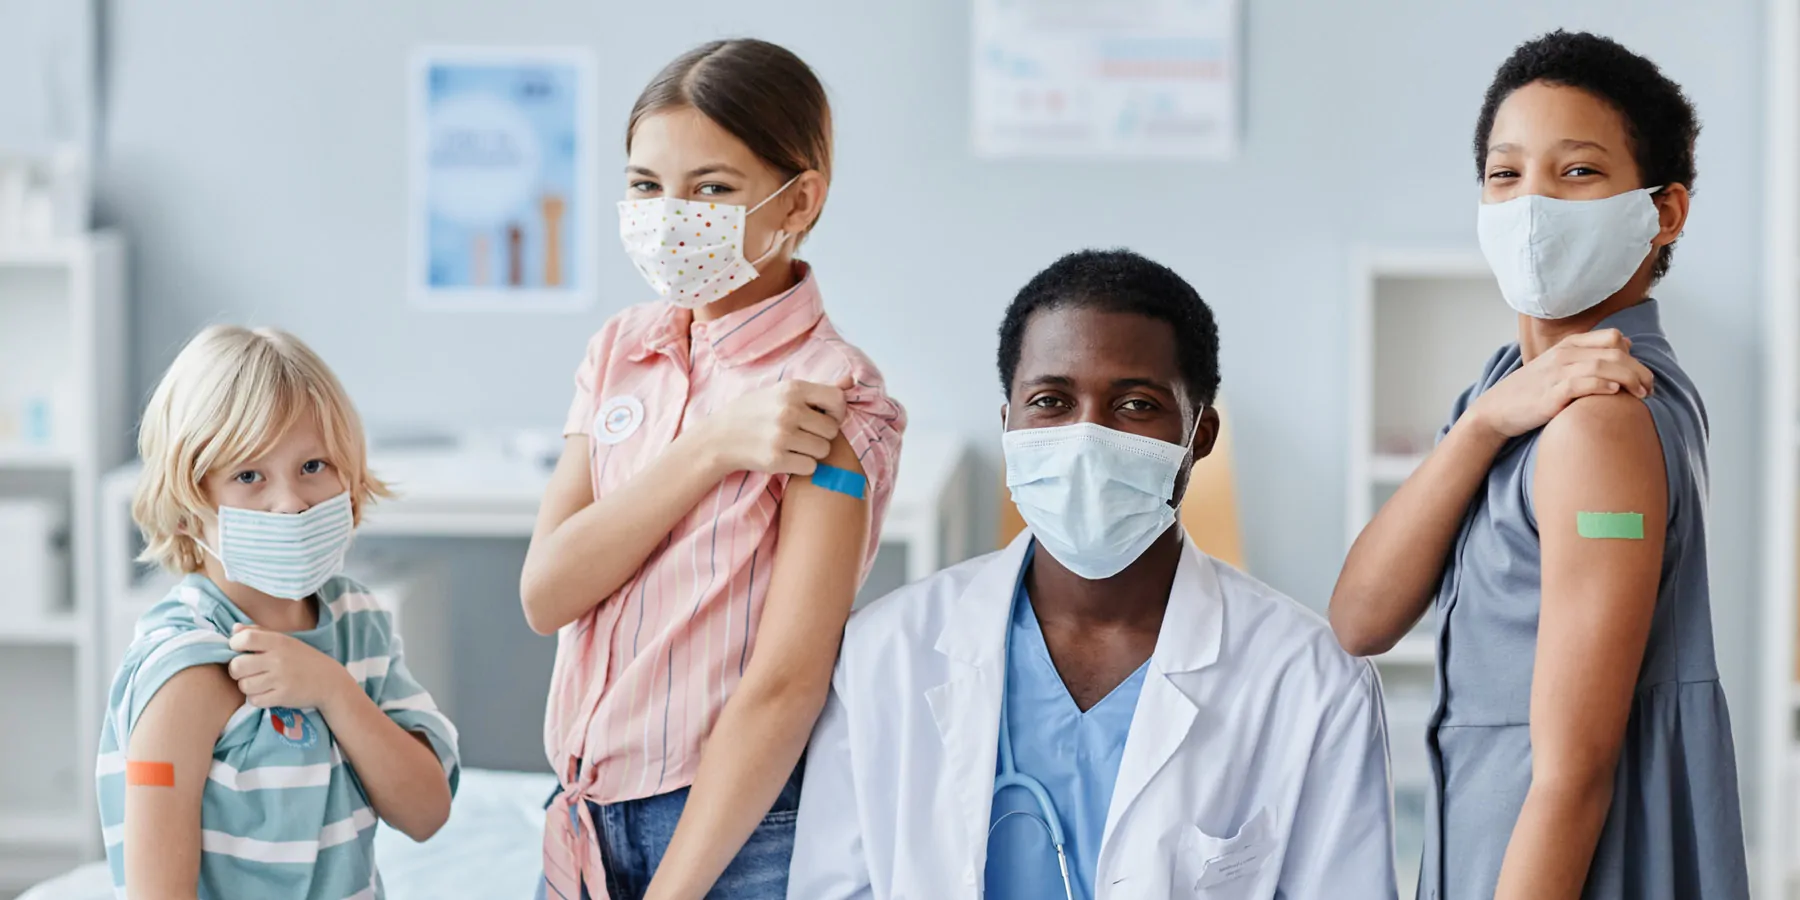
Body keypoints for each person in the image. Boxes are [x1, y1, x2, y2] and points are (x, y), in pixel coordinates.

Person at [789, 249, 1396, 900]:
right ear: (1008, 425)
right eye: (1050, 401)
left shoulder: (1312, 683)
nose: (1086, 441)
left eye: (1135, 405)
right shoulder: (886, 655)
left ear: (1201, 434)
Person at [1329, 31, 1748, 900]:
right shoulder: (1507, 394)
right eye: (1505, 173)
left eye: (1580, 171)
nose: (1532, 204)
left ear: (1663, 212)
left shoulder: (1599, 423)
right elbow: (1360, 619)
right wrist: (1480, 427)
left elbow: (1575, 772)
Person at [522, 38, 906, 900]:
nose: (668, 215)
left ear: (798, 199)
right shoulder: (621, 351)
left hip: (728, 832)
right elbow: (547, 592)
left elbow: (785, 683)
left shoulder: (833, 397)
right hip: (583, 812)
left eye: (712, 189)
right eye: (645, 186)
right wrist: (712, 448)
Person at [98, 325, 460, 899]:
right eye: (248, 475)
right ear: (190, 509)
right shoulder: (185, 668)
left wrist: (334, 692)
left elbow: (427, 811)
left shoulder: (359, 623)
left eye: (313, 466)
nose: (290, 502)